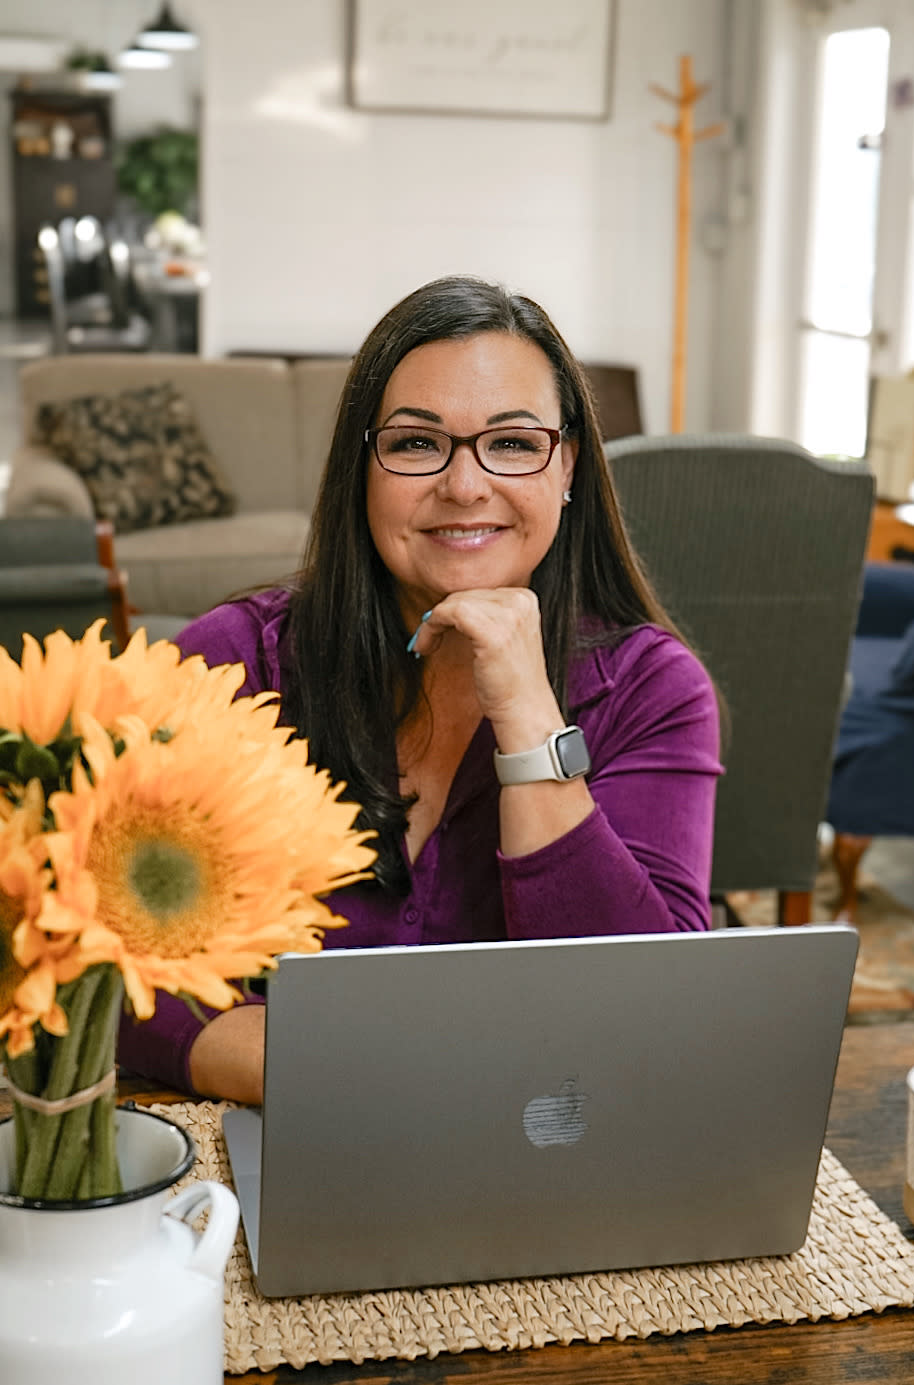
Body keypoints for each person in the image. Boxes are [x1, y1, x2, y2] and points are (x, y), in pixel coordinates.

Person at [118, 275, 722, 1104]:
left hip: (545, 1151)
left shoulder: (652, 688)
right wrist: (318, 1070)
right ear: (361, 468)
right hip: (286, 1128)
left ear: (568, 465)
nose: (465, 485)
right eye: (414, 444)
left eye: (512, 443)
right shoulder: (231, 664)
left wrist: (526, 713)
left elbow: (650, 1012)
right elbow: (93, 963)